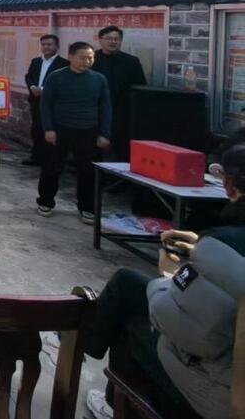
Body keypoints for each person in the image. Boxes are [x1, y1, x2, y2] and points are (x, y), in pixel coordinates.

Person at [81, 144, 245, 419]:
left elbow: (171, 318)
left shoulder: (224, 244)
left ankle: (115, 402)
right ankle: (82, 347)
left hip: (215, 394)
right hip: (223, 371)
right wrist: (201, 250)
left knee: (131, 321)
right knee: (128, 283)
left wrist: (170, 274)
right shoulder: (222, 245)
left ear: (228, 184)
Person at [36, 41, 111, 223]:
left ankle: (87, 207)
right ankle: (45, 201)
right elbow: (46, 105)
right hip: (60, 129)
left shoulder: (99, 79)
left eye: (90, 58)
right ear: (70, 57)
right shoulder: (56, 77)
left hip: (89, 131)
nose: (87, 61)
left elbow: (105, 107)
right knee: (52, 167)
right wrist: (48, 128)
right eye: (82, 58)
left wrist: (104, 133)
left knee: (88, 171)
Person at [92, 25, 147, 162]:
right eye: (109, 38)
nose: (113, 42)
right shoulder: (91, 59)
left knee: (122, 151)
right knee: (94, 150)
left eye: (116, 39)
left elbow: (140, 87)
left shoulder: (131, 61)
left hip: (122, 113)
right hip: (95, 112)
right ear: (100, 40)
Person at [22, 34, 68, 166]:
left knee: (51, 129)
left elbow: (63, 83)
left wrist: (44, 90)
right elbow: (29, 76)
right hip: (36, 100)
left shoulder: (64, 64)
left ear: (57, 46)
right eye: (43, 44)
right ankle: (36, 157)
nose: (46, 47)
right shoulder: (36, 61)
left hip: (53, 103)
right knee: (36, 129)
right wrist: (32, 87)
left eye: (49, 44)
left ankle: (50, 159)